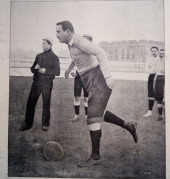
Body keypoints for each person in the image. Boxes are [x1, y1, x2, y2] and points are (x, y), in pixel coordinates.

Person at [56, 21, 138, 167]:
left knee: (92, 118)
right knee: (98, 113)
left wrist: (107, 76)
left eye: (59, 32)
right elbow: (80, 60)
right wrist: (71, 70)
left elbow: (100, 52)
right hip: (92, 81)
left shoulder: (80, 41)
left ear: (67, 31)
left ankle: (95, 157)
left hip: (99, 81)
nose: (57, 35)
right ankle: (128, 125)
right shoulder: (71, 44)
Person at [20, 38, 60, 131]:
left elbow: (57, 72)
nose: (43, 45)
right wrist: (35, 67)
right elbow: (32, 69)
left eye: (45, 44)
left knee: (46, 104)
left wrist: (45, 71)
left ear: (50, 45)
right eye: (42, 43)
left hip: (47, 83)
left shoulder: (54, 57)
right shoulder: (39, 56)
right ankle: (28, 124)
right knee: (30, 103)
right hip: (36, 83)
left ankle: (45, 125)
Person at [65, 34, 93, 121]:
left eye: (86, 40)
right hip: (78, 77)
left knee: (86, 98)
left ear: (90, 42)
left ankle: (87, 116)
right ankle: (76, 115)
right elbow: (74, 62)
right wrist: (69, 70)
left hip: (87, 78)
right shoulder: (78, 51)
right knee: (76, 96)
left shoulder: (92, 53)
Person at [143, 46, 160, 118]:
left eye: (155, 51)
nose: (154, 52)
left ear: (158, 51)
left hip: (159, 77)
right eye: (152, 51)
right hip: (151, 77)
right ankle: (149, 112)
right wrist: (152, 71)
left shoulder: (160, 59)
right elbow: (146, 69)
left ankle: (162, 113)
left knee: (160, 94)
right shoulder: (149, 59)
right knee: (151, 94)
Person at [154, 48, 165, 121]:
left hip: (164, 78)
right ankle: (160, 115)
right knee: (159, 98)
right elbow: (156, 70)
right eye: (160, 53)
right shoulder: (158, 61)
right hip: (158, 78)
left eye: (162, 54)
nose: (161, 55)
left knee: (165, 98)